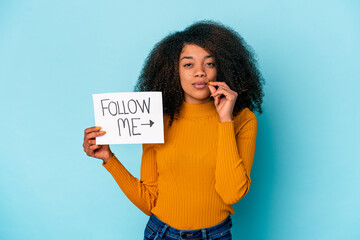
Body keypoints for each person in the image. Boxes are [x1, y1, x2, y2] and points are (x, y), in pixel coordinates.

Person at [83, 21, 264, 240]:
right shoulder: (155, 119)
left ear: (222, 68)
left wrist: (224, 120)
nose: (199, 72)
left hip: (216, 235)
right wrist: (109, 159)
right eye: (188, 65)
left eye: (209, 64)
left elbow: (231, 192)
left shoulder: (243, 120)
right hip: (162, 233)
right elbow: (149, 201)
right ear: (173, 70)